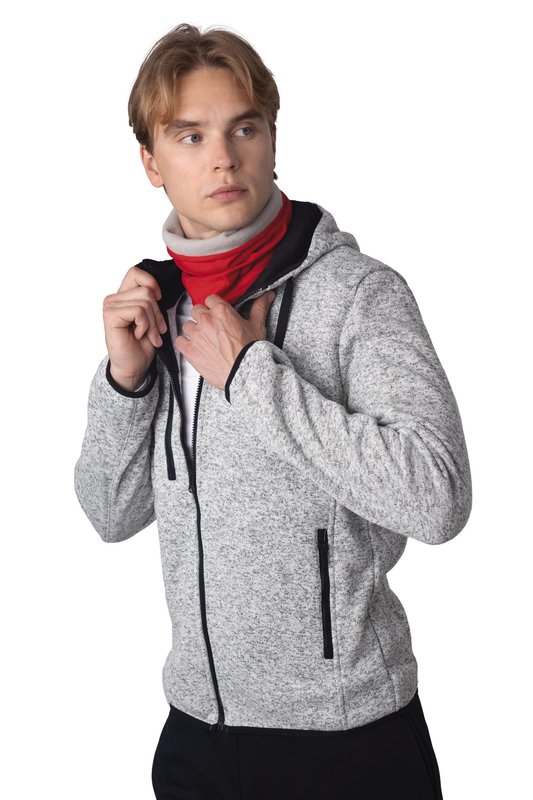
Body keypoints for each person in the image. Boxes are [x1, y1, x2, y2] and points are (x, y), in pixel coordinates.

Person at [74, 22, 472, 800]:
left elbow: (437, 496)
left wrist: (253, 376)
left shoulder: (358, 295)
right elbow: (110, 513)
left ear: (272, 140)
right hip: (195, 737)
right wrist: (125, 381)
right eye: (190, 136)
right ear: (151, 162)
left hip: (346, 741)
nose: (223, 158)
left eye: (243, 128)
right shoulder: (159, 309)